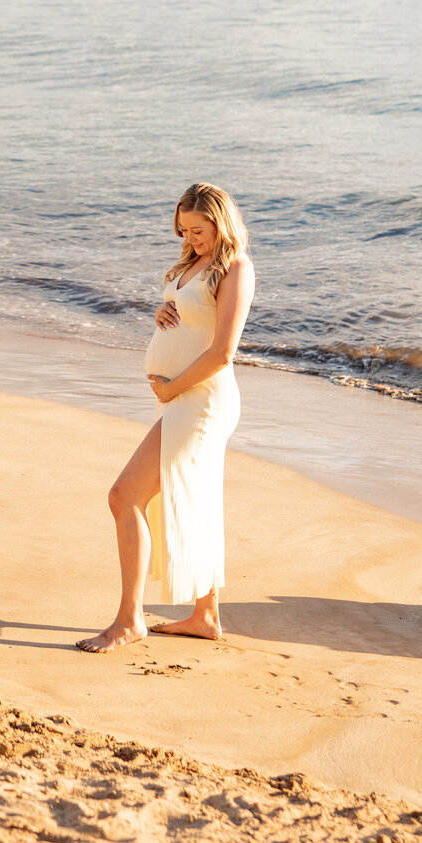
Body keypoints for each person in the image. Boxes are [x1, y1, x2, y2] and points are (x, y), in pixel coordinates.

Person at [77, 182, 255, 654]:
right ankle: (205, 615)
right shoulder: (193, 264)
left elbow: (222, 352)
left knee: (124, 496)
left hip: (202, 398)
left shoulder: (237, 268)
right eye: (184, 230)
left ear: (221, 221)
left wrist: (174, 386)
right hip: (178, 396)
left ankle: (129, 620)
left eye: (199, 230)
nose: (192, 238)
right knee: (193, 500)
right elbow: (193, 317)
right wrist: (164, 311)